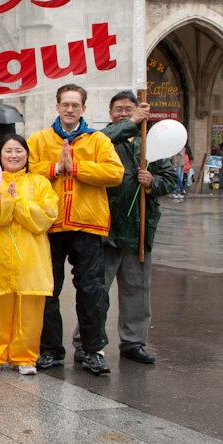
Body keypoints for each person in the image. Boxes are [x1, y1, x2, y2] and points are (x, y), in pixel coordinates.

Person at [28, 83, 124, 375]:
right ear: (57, 107)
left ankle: (92, 350)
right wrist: (57, 168)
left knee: (92, 292)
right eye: (65, 104)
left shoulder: (98, 140)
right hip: (50, 225)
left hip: (87, 225)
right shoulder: (39, 140)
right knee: (47, 290)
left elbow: (115, 173)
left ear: (84, 108)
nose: (70, 109)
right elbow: (28, 169)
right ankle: (50, 350)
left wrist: (78, 168)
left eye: (75, 105)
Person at [86, 93, 177, 366]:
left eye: (129, 109)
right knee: (96, 291)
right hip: (106, 228)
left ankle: (133, 342)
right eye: (119, 110)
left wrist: (152, 182)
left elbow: (169, 179)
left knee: (137, 291)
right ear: (110, 113)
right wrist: (132, 122)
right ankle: (87, 343)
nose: (124, 113)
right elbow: (96, 143)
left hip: (139, 229)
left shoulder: (149, 142)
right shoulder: (102, 139)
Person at [0, 135, 58, 375]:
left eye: (19, 150)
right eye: (8, 150)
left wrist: (16, 202)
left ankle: (25, 357)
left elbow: (46, 216)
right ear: (0, 155)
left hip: (30, 256)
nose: (14, 155)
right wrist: (5, 203)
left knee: (29, 309)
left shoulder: (40, 183)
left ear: (27, 155)